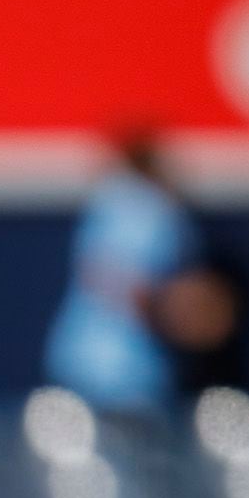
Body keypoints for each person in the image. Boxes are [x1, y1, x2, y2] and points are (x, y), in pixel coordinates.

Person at [43, 130, 199, 417]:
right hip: (123, 366)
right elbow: (123, 282)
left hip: (91, 359)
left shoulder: (113, 203)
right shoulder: (144, 208)